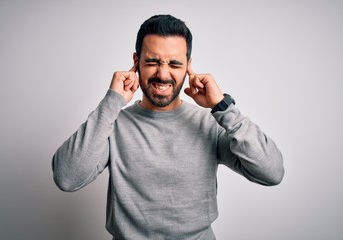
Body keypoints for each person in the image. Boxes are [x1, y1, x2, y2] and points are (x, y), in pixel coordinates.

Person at [52, 14, 284, 240]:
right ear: (136, 62)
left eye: (174, 63)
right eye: (152, 61)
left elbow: (271, 172)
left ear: (188, 66)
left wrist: (223, 107)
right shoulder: (113, 124)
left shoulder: (211, 123)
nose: (163, 74)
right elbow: (67, 177)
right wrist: (111, 102)